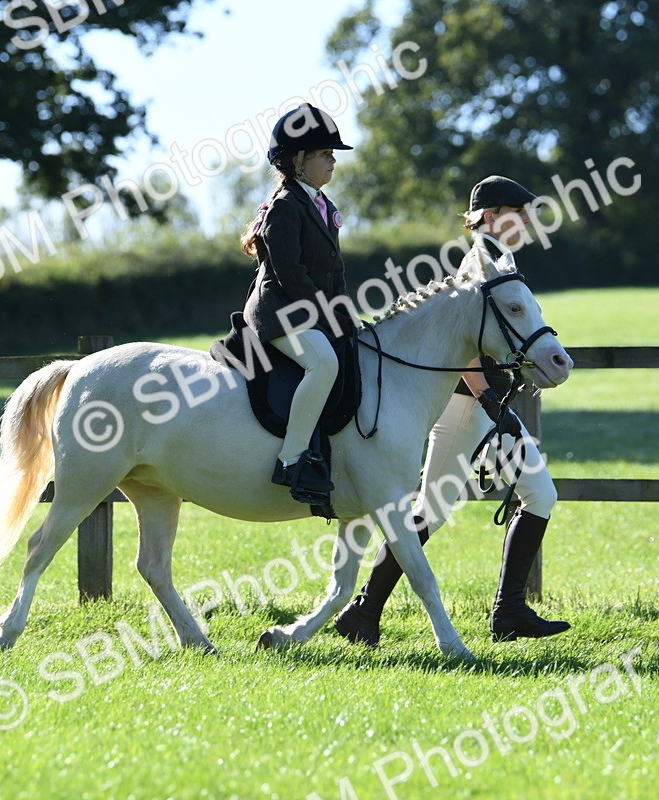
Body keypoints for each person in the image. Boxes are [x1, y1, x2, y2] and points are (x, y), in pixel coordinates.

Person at [333, 175, 571, 645]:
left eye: (527, 215)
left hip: (485, 405)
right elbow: (459, 345)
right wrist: (486, 399)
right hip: (467, 407)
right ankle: (364, 611)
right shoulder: (476, 263)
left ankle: (506, 610)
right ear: (486, 216)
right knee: (433, 511)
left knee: (535, 494)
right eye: (515, 213)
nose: (525, 221)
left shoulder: (500, 260)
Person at [238, 103, 359, 504]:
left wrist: (348, 315)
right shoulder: (286, 206)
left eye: (333, 154)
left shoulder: (323, 206)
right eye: (325, 154)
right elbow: (292, 274)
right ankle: (291, 461)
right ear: (298, 160)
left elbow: (333, 273)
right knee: (323, 362)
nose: (333, 161)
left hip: (307, 310)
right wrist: (329, 315)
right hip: (279, 313)